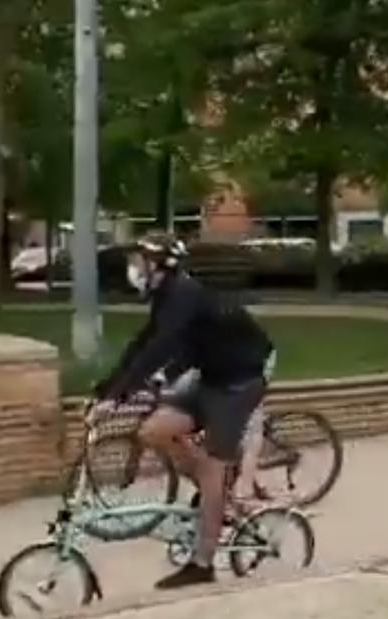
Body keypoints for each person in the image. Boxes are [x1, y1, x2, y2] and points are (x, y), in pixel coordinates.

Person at [91, 233, 274, 591]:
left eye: (140, 261)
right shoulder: (166, 296)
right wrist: (109, 387)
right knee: (152, 431)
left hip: (239, 383)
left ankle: (202, 562)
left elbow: (162, 346)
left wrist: (123, 391)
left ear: (160, 265)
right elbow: (144, 342)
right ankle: (213, 487)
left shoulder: (184, 295)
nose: (133, 268)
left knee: (213, 474)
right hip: (210, 378)